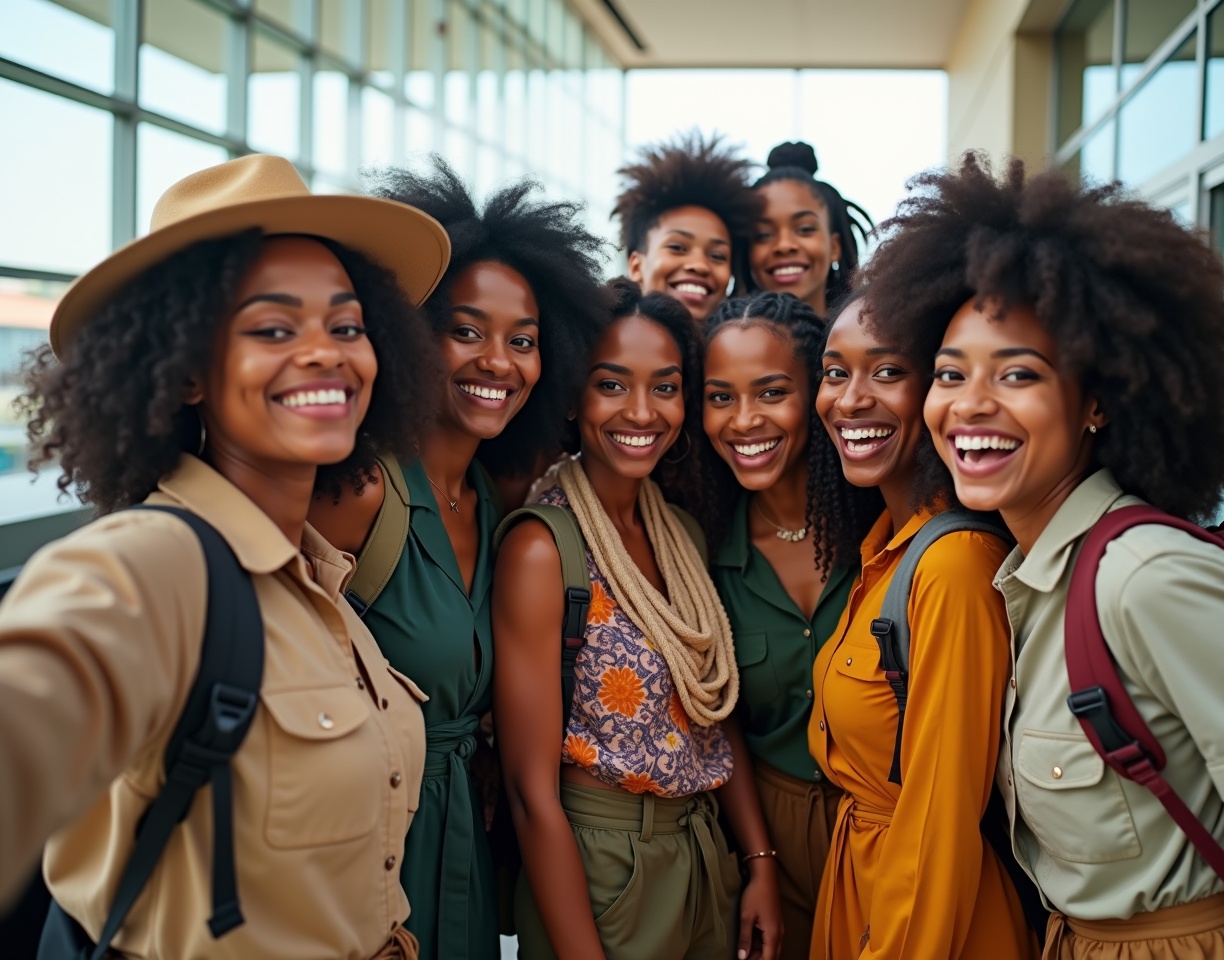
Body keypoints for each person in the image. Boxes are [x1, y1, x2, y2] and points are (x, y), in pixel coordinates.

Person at [0, 154, 447, 959]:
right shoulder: (148, 567)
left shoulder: (319, 581)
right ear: (184, 374)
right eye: (273, 328)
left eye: (347, 326)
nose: (326, 353)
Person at [861, 151, 1224, 960]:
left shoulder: (1146, 576)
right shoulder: (1019, 571)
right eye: (951, 374)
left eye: (1018, 374)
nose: (971, 405)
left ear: (1095, 403)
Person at [308, 159, 610, 960]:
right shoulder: (361, 489)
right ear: (410, 334)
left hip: (462, 858)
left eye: (525, 341)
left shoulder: (496, 498)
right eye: (467, 331)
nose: (499, 362)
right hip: (359, 858)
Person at [492, 278, 783, 960]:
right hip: (600, 866)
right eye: (612, 385)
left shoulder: (677, 529)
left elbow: (711, 705)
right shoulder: (542, 547)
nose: (642, 411)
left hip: (702, 850)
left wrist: (760, 860)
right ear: (571, 397)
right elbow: (529, 791)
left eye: (665, 386)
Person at [807, 290, 1039, 959]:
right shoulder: (886, 551)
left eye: (886, 372)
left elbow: (940, 828)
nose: (849, 400)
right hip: (861, 889)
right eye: (834, 372)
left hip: (929, 926)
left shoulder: (954, 566)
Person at [697, 291, 863, 960]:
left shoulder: (881, 526)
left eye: (770, 392)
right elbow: (722, 719)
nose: (743, 421)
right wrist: (760, 861)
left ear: (816, 392)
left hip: (893, 824)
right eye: (719, 397)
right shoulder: (702, 550)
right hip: (772, 832)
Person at [614, 131, 762, 324]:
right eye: (677, 248)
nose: (700, 266)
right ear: (636, 266)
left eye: (717, 256)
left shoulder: (746, 350)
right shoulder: (599, 345)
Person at [735, 142, 872, 317]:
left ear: (835, 247)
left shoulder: (870, 337)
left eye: (805, 229)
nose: (784, 245)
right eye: (764, 234)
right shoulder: (716, 341)